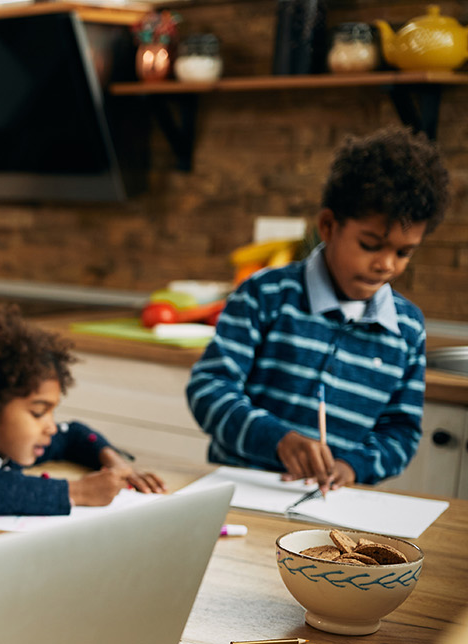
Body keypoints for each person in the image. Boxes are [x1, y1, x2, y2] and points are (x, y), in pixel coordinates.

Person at [187, 125, 450, 492]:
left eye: (404, 253)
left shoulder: (407, 329)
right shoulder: (265, 294)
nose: (387, 264)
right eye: (371, 244)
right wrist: (277, 439)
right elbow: (209, 389)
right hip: (241, 492)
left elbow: (401, 432)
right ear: (328, 225)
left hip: (334, 505)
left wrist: (352, 467)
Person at [0, 303, 166, 522]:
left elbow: (73, 434)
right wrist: (78, 491)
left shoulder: (8, 442)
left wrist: (114, 462)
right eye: (38, 413)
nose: (50, 427)